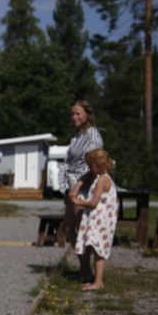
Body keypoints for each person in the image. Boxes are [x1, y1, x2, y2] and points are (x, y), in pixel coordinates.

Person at [58, 99, 104, 282]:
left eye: (78, 113)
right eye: (72, 114)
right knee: (68, 228)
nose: (74, 117)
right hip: (72, 185)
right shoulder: (76, 134)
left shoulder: (93, 135)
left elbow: (96, 165)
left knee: (80, 228)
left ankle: (86, 271)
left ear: (88, 115)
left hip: (84, 186)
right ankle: (84, 268)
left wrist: (78, 185)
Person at [69, 149, 118, 291]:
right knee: (95, 248)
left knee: (98, 250)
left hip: (100, 222)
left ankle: (98, 282)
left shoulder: (103, 180)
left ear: (99, 164)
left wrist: (77, 202)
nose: (90, 169)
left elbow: (94, 203)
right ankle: (97, 281)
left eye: (91, 165)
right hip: (99, 221)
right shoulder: (103, 178)